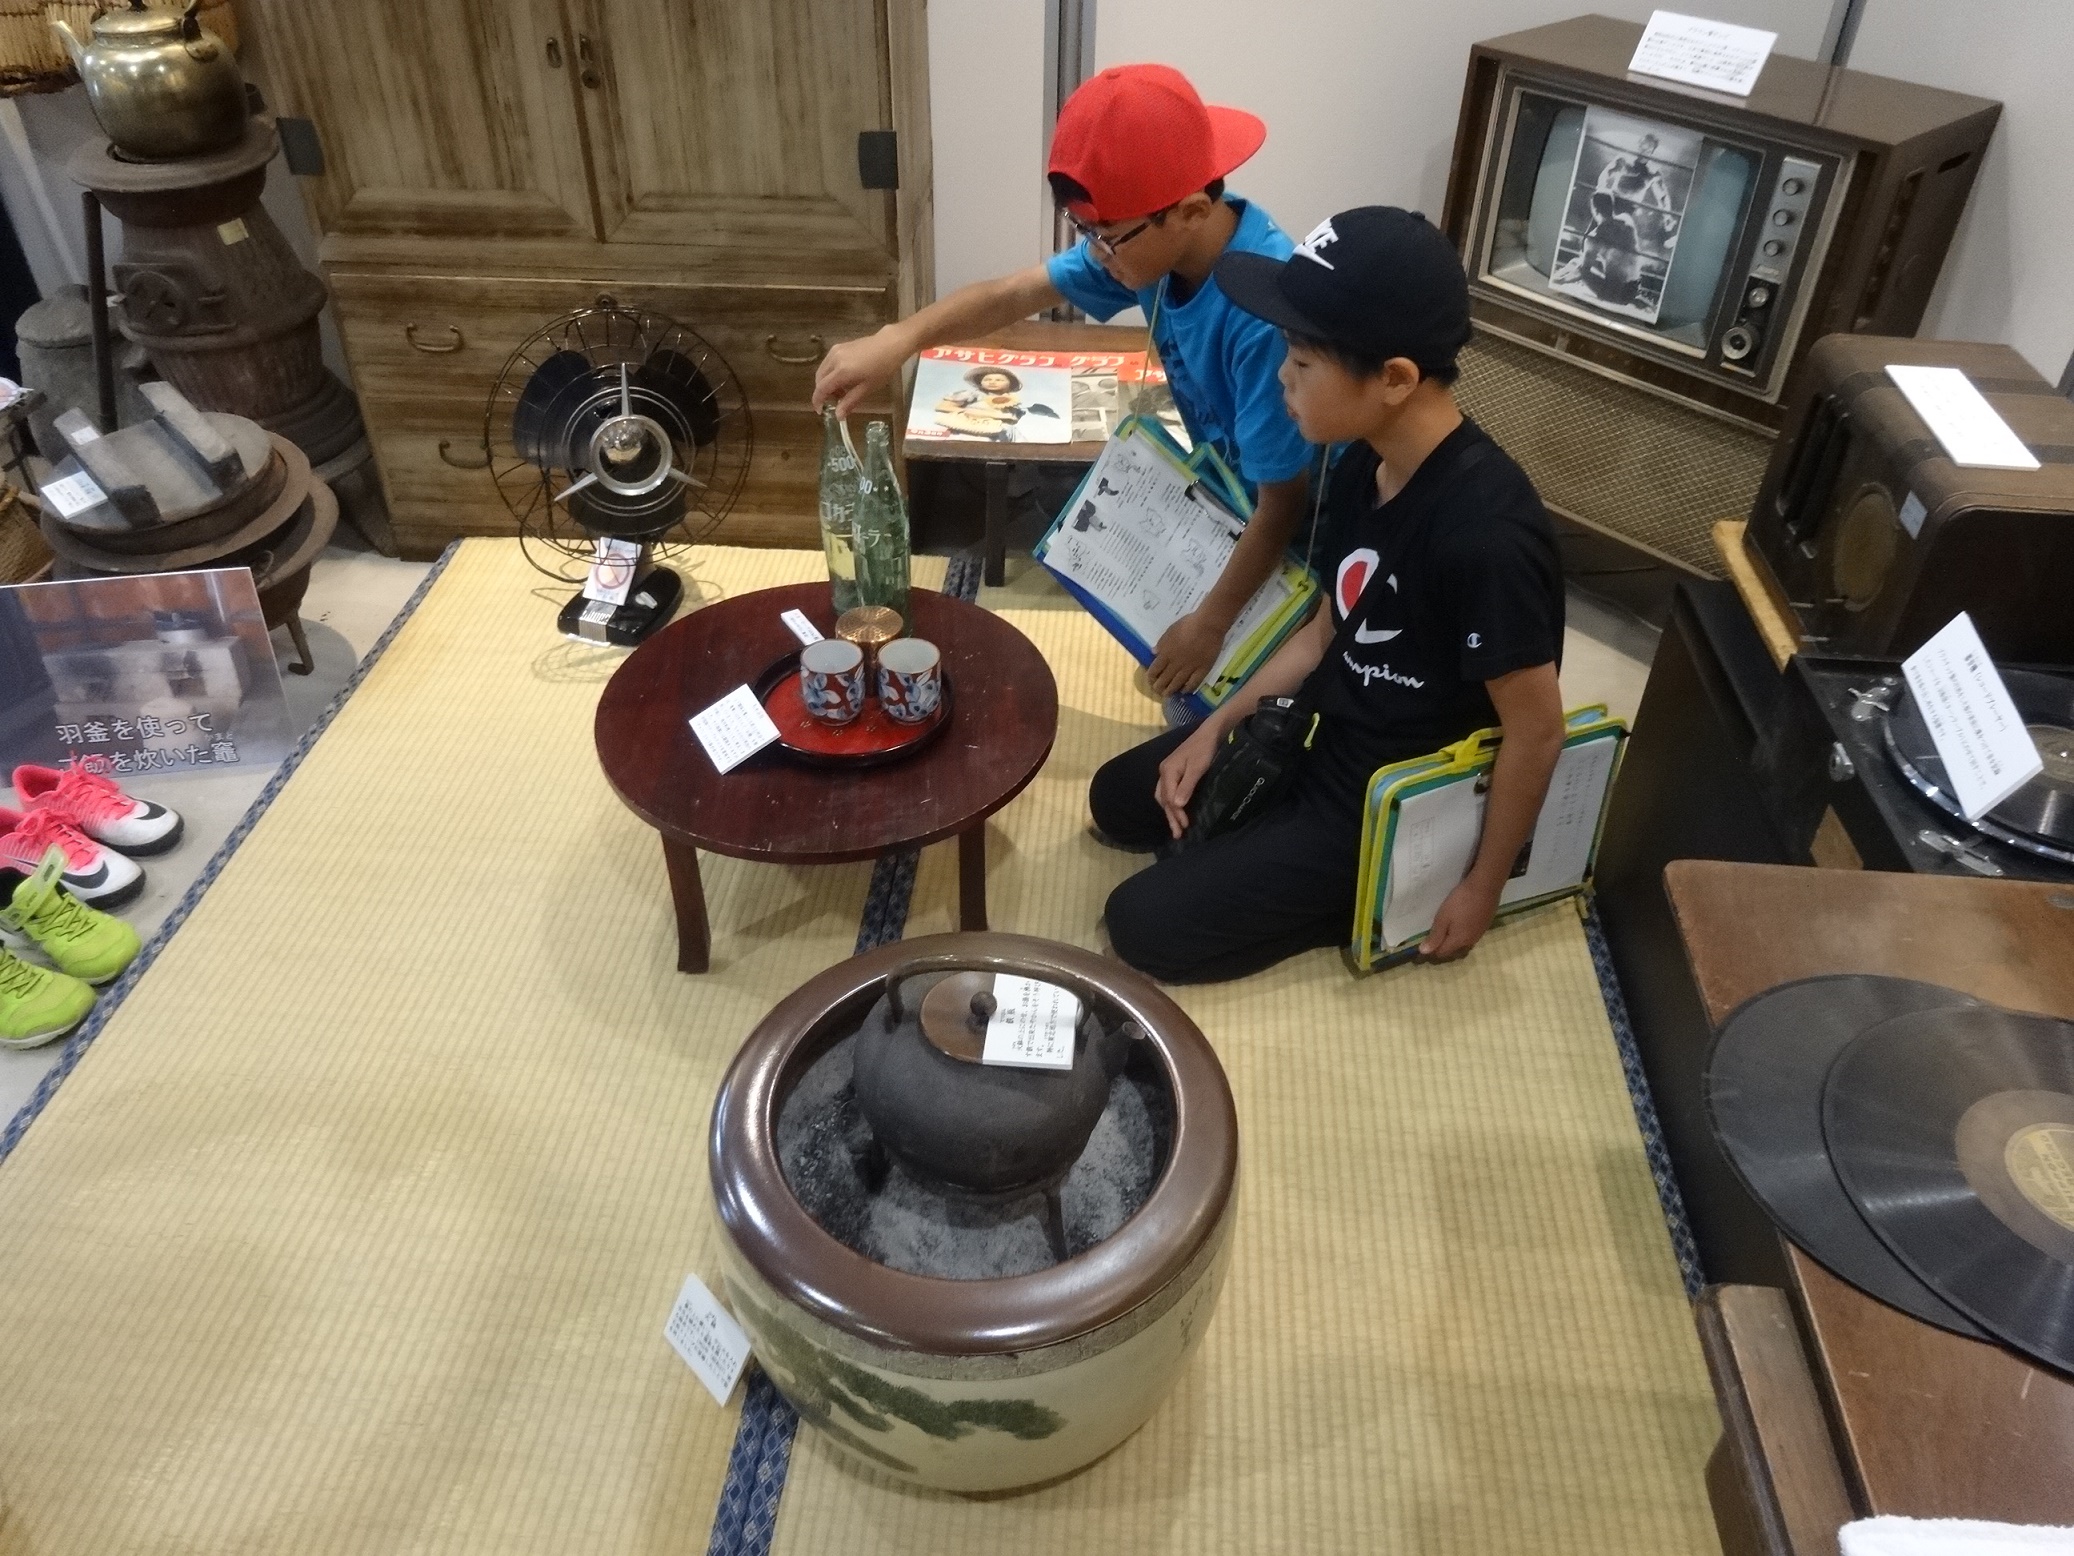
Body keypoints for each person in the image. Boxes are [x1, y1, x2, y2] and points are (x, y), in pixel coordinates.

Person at [1086, 207, 1568, 983]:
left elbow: (1537, 732)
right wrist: (1218, 727)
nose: (1283, 376)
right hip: (1314, 728)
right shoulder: (1361, 463)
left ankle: (1356, 893)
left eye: (1304, 362)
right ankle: (1261, 847)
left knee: (1139, 925)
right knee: (1117, 798)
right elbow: (1322, 635)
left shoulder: (1486, 536)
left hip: (1385, 797)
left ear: (1395, 379)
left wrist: (1480, 887)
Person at [812, 63, 1314, 699]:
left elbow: (1285, 502)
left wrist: (1210, 625)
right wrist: (899, 339)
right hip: (1231, 499)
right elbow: (1016, 291)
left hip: (1300, 531)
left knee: (1214, 710)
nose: (1096, 253)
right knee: (1177, 672)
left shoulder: (1262, 316)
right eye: (1087, 234)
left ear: (1190, 210)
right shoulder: (1153, 240)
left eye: (1108, 238)